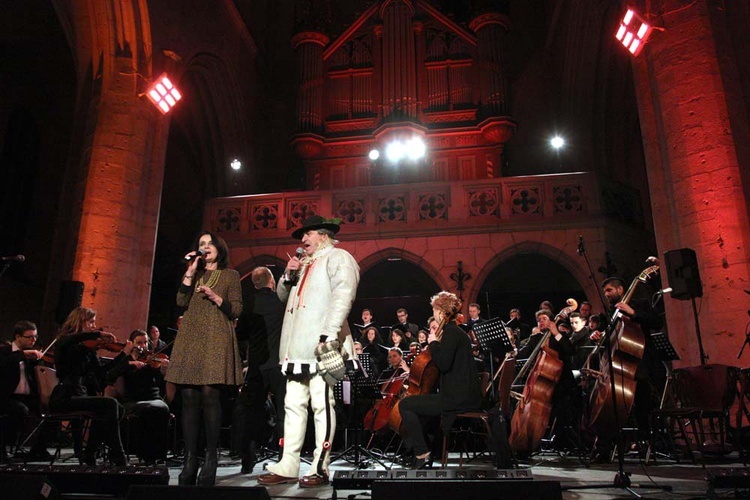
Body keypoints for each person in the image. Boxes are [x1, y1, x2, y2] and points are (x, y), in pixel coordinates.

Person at [258, 215, 359, 488]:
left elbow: (344, 294)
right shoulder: (303, 264)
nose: (303, 240)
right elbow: (283, 297)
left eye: (308, 234)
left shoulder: (338, 257)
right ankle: (288, 463)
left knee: (321, 404)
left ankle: (320, 465)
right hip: (296, 348)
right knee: (292, 405)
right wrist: (288, 275)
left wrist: (329, 333)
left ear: (324, 236)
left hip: (319, 345)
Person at [165, 230, 243, 486]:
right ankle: (190, 459)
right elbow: (180, 300)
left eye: (210, 244)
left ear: (219, 248)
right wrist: (189, 271)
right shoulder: (195, 273)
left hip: (215, 336)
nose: (206, 247)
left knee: (210, 395)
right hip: (191, 336)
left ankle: (210, 458)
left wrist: (215, 297)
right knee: (188, 397)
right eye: (201, 244)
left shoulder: (230, 275)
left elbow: (237, 308)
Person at [398, 291, 481, 469]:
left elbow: (443, 364)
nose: (433, 314)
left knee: (405, 405)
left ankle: (422, 453)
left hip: (456, 399)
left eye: (435, 310)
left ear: (442, 312)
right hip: (460, 395)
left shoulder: (451, 333)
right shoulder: (455, 332)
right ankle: (427, 451)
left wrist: (434, 343)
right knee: (421, 411)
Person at [49, 308, 130, 466]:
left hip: (80, 395)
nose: (94, 325)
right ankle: (118, 456)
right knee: (110, 404)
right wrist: (97, 334)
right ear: (79, 321)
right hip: (64, 396)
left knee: (117, 408)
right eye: (91, 322)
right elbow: (70, 340)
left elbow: (101, 372)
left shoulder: (89, 350)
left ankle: (90, 452)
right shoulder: (64, 342)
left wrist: (123, 356)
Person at [106, 329, 170, 464]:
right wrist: (130, 362)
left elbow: (159, 384)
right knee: (149, 409)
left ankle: (157, 455)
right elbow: (111, 376)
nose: (143, 345)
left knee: (161, 408)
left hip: (153, 398)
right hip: (132, 400)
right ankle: (146, 454)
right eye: (139, 342)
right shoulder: (125, 361)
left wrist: (158, 369)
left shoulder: (152, 359)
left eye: (146, 342)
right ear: (132, 343)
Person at [0, 321, 52, 461]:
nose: (33, 340)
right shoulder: (5, 351)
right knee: (19, 410)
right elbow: (4, 364)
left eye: (35, 337)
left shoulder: (32, 356)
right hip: (6, 396)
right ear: (18, 337)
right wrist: (23, 355)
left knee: (54, 409)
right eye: (29, 337)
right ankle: (4, 449)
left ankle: (38, 450)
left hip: (27, 396)